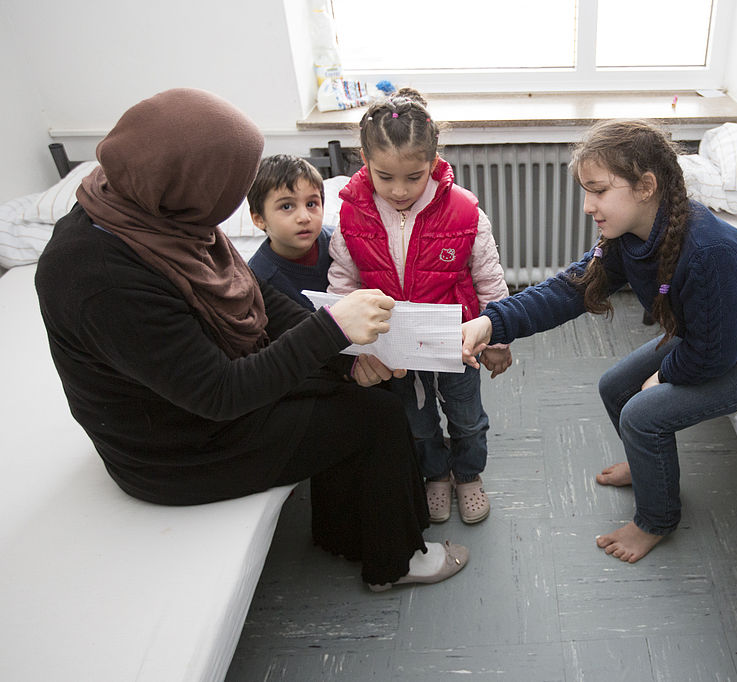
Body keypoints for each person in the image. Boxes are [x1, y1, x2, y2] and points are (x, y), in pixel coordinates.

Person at [34, 88, 468, 591]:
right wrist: (331, 332)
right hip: (176, 447)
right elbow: (220, 394)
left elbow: (254, 295)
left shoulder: (145, 209)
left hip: (197, 391)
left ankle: (346, 534)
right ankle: (393, 562)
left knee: (363, 387)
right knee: (376, 418)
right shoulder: (100, 277)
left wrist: (345, 355)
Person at [462, 119, 737, 563]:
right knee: (615, 386)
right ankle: (648, 463)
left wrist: (664, 374)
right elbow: (565, 290)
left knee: (643, 414)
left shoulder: (709, 253)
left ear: (646, 185)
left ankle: (656, 520)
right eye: (585, 191)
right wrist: (491, 324)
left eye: (599, 190)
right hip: (711, 334)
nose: (588, 206)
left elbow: (714, 355)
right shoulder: (628, 237)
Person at [328, 88, 511, 525]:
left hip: (458, 341)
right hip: (394, 347)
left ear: (433, 161)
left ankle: (467, 474)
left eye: (414, 176)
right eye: (385, 176)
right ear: (364, 160)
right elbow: (342, 288)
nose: (399, 190)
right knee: (418, 421)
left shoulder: (465, 212)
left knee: (467, 418)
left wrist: (498, 336)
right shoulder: (350, 217)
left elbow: (489, 278)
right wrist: (355, 349)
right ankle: (435, 476)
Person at [247, 154, 333, 309]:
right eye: (287, 206)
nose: (304, 217)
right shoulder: (259, 278)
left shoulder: (343, 243)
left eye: (311, 204)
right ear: (259, 219)